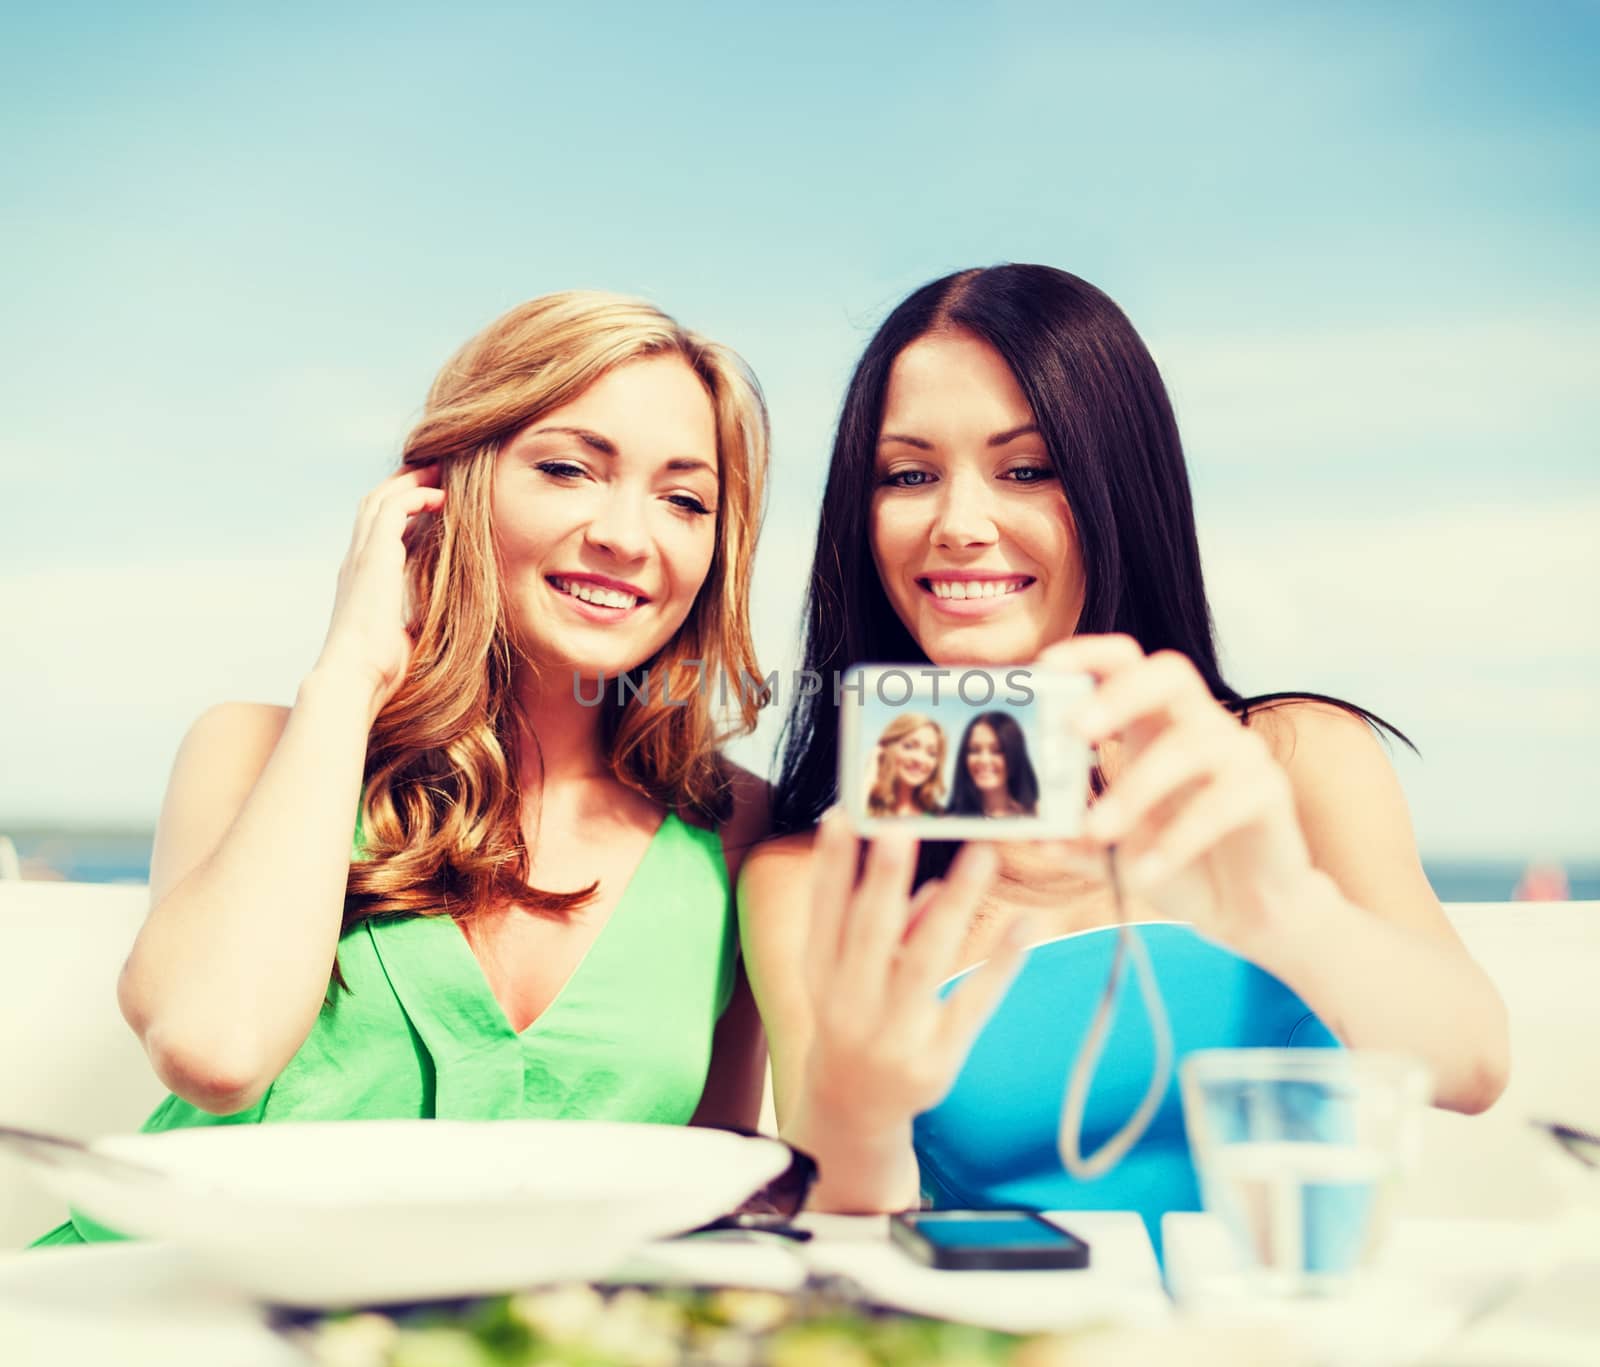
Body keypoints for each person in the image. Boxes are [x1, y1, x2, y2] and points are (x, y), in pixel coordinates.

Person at [740, 264, 1510, 1224]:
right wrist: (860, 1111)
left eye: (1027, 468)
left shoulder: (1292, 759)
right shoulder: (811, 875)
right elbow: (846, 1235)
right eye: (908, 475)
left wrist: (1281, 910)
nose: (958, 525)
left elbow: (1472, 1064)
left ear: (1119, 487)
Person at [37, 292, 771, 1245]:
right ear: (442, 489)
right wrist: (352, 671)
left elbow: (706, 1202)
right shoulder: (254, 750)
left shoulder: (736, 825)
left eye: (684, 499)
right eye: (566, 468)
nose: (629, 537)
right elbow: (214, 1050)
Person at [945, 712, 1039, 817]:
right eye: (974, 750)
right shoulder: (948, 826)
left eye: (997, 750)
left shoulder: (1038, 818)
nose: (983, 760)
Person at [866, 713, 947, 817]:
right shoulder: (864, 807)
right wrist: (868, 781)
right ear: (887, 748)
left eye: (931, 753)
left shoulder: (940, 817)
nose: (920, 759)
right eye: (909, 746)